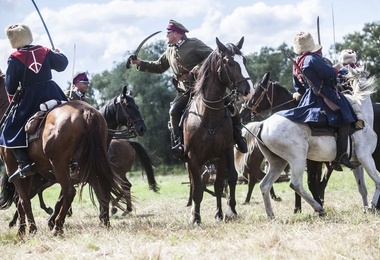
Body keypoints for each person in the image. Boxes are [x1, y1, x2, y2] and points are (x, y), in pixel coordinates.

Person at [128, 19, 247, 159]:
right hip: (185, 91)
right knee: (173, 112)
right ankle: (179, 144)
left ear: (176, 33)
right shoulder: (169, 51)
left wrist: (200, 66)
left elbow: (215, 57)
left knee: (231, 106)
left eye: (168, 32)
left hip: (204, 89)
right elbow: (159, 67)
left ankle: (239, 138)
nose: (166, 35)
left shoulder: (194, 43)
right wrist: (139, 63)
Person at [278, 32, 358, 170]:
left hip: (308, 98)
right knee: (345, 116)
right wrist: (338, 67)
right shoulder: (313, 59)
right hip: (325, 96)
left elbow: (298, 87)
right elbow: (330, 74)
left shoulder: (297, 62)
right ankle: (341, 155)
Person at [0, 24, 68, 182]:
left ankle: (24, 163)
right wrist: (58, 53)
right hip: (53, 91)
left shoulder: (14, 58)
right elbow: (62, 65)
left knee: (10, 128)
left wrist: (13, 101)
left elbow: (10, 87)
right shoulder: (45, 50)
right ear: (28, 35)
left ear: (12, 39)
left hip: (30, 97)